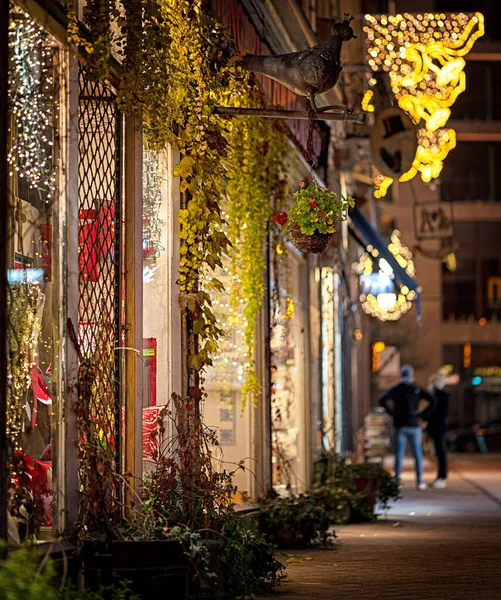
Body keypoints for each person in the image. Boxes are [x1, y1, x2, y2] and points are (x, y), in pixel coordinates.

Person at [380, 365, 436, 490]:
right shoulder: (415, 388)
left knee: (399, 454)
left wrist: (392, 413)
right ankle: (419, 481)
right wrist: (421, 415)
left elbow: (382, 400)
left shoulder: (396, 389)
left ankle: (397, 480)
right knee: (417, 454)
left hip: (399, 425)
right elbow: (432, 400)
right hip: (413, 425)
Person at [426, 371, 450, 489]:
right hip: (437, 428)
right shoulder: (439, 396)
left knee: (440, 453)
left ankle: (442, 477)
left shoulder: (438, 396)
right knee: (438, 453)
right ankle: (440, 477)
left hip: (438, 428)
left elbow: (431, 413)